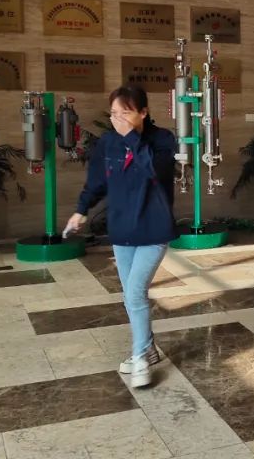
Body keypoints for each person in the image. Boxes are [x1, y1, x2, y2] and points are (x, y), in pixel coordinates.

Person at [65, 86, 178, 388]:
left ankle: (140, 357)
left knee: (135, 293)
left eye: (125, 113)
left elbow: (154, 169)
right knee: (130, 295)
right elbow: (96, 182)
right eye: (114, 113)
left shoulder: (162, 140)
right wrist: (81, 210)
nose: (118, 120)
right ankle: (148, 349)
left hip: (154, 228)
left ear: (143, 112)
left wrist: (131, 138)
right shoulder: (107, 142)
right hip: (122, 229)